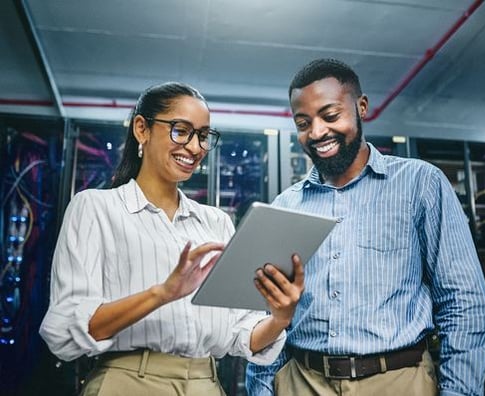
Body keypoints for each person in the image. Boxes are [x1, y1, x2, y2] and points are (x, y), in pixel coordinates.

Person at [245, 59, 485, 396]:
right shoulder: (285, 206)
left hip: (399, 381)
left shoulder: (420, 184)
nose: (317, 132)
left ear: (361, 107)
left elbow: (464, 305)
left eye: (330, 116)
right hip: (301, 382)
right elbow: (268, 316)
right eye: (303, 123)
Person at [39, 82, 304, 395]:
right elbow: (66, 330)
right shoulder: (96, 208)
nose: (194, 148)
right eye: (181, 131)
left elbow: (240, 333)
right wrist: (162, 294)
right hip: (128, 382)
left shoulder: (216, 222)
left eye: (204, 136)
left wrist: (280, 316)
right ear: (142, 129)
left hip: (206, 385)